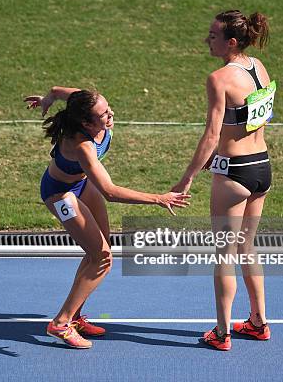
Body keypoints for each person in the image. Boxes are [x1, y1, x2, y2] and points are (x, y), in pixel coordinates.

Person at [25, 87, 191, 349]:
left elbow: (59, 91)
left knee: (99, 250)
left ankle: (75, 315)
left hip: (82, 183)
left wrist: (48, 98)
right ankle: (60, 323)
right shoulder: (82, 146)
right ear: (86, 122)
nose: (110, 113)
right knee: (102, 259)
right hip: (60, 194)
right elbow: (111, 192)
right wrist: (159, 198)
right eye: (104, 113)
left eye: (108, 106)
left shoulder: (84, 103)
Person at [171, 10, 274, 351]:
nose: (207, 40)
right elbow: (260, 117)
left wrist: (185, 179)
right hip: (261, 167)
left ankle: (222, 332)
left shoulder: (219, 79)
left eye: (213, 35)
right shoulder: (258, 67)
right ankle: (258, 322)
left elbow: (212, 134)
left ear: (231, 41)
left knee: (225, 255)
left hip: (234, 173)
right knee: (248, 247)